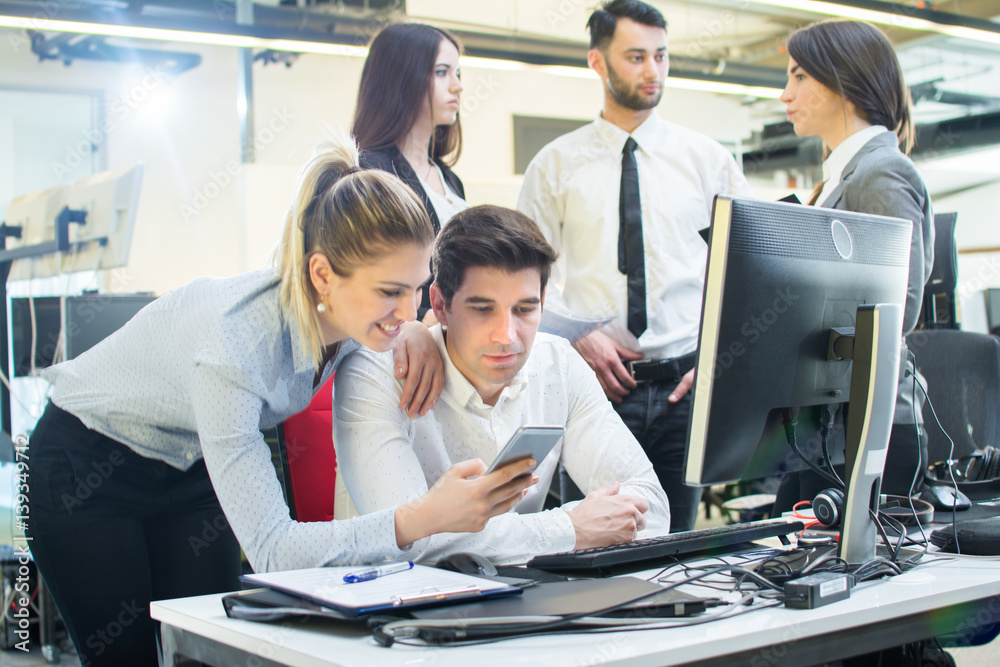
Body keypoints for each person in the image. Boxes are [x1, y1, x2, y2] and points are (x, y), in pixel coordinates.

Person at [25, 135, 537, 666]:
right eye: (390, 291)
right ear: (322, 274)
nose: (407, 310)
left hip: (190, 465)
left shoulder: (355, 323)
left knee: (205, 652)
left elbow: (401, 324)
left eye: (415, 288)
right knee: (125, 656)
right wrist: (424, 518)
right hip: (84, 466)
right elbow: (275, 551)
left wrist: (416, 332)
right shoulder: (234, 349)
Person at [516, 0, 753, 532]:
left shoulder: (708, 160)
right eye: (636, 57)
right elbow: (520, 278)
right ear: (598, 64)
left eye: (661, 57)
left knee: (679, 547)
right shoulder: (555, 165)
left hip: (683, 390)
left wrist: (715, 357)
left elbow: (746, 269)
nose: (653, 71)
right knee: (598, 543)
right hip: (593, 388)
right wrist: (577, 335)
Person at [333, 204, 669, 564]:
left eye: (524, 309)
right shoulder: (377, 374)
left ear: (543, 303)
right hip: (395, 607)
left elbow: (652, 507)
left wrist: (559, 534)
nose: (506, 336)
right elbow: (408, 542)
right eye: (483, 309)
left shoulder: (559, 365)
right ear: (440, 305)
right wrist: (572, 529)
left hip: (527, 602)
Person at [773, 18, 934, 509]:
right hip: (831, 427)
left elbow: (894, 311)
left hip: (867, 427)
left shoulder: (881, 171)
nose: (785, 94)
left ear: (843, 79)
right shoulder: (840, 179)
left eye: (799, 76)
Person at [353, 22, 468, 322]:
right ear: (403, 78)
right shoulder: (370, 173)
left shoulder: (451, 180)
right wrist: (424, 318)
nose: (457, 86)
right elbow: (372, 281)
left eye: (457, 73)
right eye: (442, 73)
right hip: (399, 345)